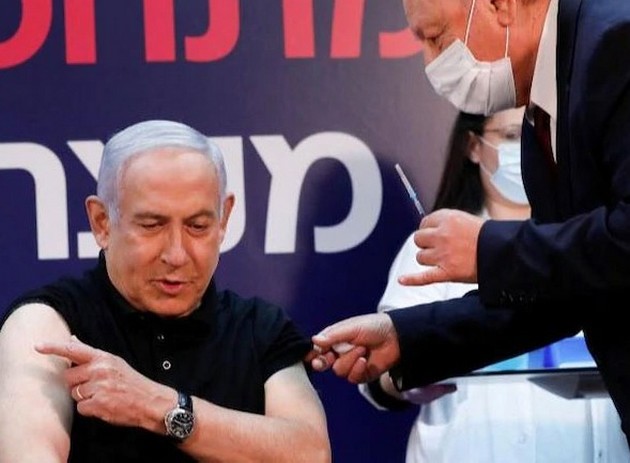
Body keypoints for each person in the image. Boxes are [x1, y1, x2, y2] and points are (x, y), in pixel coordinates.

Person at [310, 0, 630, 448]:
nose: (430, 63)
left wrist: (488, 250)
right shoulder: (544, 114)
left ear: (500, 5)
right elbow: (564, 293)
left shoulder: (617, 44)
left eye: (436, 37)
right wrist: (405, 337)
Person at [0, 120, 331, 462]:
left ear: (223, 219)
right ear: (102, 222)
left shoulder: (260, 329)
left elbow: (311, 454)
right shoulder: (47, 324)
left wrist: (160, 407)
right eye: (152, 226)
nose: (176, 254)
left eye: (197, 226)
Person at [358, 107, 628, 462]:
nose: (525, 150)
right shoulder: (436, 246)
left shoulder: (585, 245)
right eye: (512, 136)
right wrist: (406, 378)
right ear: (473, 146)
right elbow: (383, 360)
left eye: (535, 136)